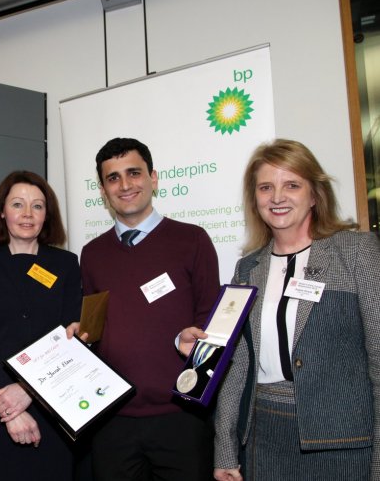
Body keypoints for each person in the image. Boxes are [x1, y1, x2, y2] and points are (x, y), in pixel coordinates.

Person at [193, 139, 380, 481]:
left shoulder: (356, 252)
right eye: (266, 187)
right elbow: (237, 367)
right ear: (255, 199)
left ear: (314, 195)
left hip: (345, 445)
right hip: (265, 438)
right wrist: (225, 451)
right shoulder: (247, 269)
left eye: (291, 185)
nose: (277, 197)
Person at [74, 137, 220, 481]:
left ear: (153, 178)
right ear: (103, 189)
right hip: (112, 421)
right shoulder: (92, 254)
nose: (125, 185)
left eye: (134, 173)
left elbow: (212, 325)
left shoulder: (192, 240)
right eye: (113, 178)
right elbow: (93, 331)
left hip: (181, 419)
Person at [0, 170, 82, 481]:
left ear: (47, 214)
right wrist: (9, 406)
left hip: (54, 405)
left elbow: (69, 337)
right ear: (2, 212)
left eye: (37, 206)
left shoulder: (66, 264)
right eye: (17, 204)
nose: (27, 214)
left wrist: (28, 391)